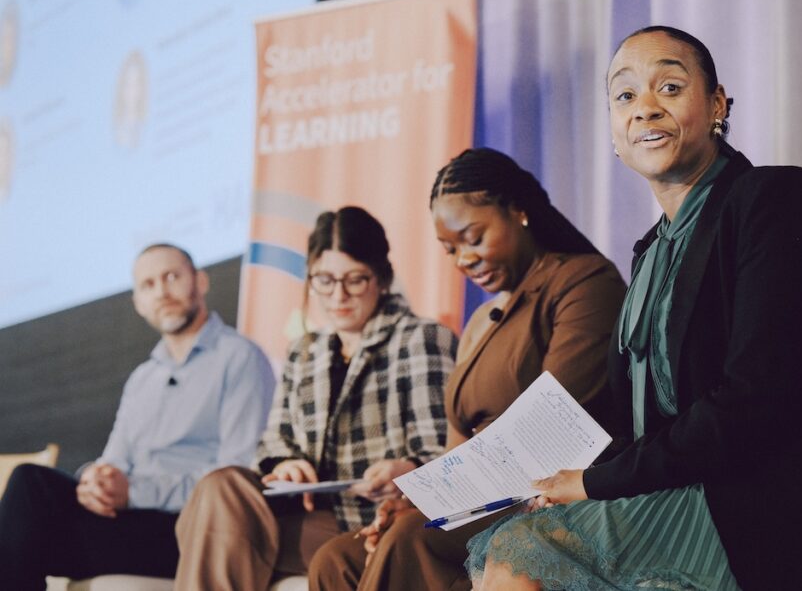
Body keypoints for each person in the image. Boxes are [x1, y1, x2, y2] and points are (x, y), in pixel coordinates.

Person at [466, 26, 802, 591]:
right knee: (522, 534)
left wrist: (596, 484)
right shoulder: (650, 253)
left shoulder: (777, 198)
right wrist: (567, 479)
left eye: (670, 87)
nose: (645, 108)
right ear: (615, 131)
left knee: (523, 552)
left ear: (718, 104)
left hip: (778, 506)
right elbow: (646, 427)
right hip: (691, 495)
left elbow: (756, 398)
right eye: (625, 96)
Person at [306, 148, 627, 591]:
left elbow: (552, 429)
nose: (463, 259)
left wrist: (437, 506)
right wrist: (417, 498)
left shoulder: (584, 283)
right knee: (337, 558)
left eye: (473, 238)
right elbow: (455, 450)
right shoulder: (480, 322)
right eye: (450, 249)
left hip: (542, 495)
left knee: (408, 538)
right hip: (480, 497)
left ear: (519, 212)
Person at [172, 206, 458, 589]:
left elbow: (446, 454)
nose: (338, 295)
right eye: (324, 280)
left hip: (372, 518)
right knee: (219, 486)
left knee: (206, 523)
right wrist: (286, 464)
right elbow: (275, 442)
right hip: (302, 515)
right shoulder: (304, 351)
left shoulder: (420, 338)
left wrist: (405, 470)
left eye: (355, 280)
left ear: (381, 277)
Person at [0, 243, 275, 589]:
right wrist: (93, 482)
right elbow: (114, 460)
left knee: (26, 530)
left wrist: (134, 493)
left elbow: (235, 479)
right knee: (30, 484)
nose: (161, 292)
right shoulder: (142, 378)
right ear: (139, 303)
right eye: (148, 285)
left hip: (189, 528)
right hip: (127, 520)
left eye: (171, 277)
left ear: (201, 282)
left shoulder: (239, 357)